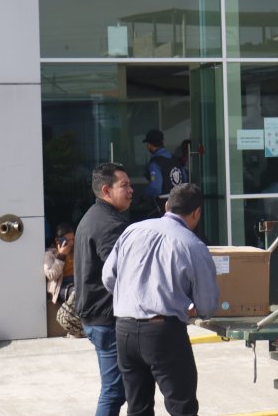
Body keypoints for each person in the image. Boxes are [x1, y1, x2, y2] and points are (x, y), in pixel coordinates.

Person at [103, 183, 219, 416]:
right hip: (162, 332)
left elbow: (108, 277)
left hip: (124, 329)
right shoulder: (193, 245)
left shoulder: (132, 230)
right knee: (181, 406)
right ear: (197, 213)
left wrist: (130, 296)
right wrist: (196, 310)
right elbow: (207, 304)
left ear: (167, 205)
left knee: (138, 407)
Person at [75, 162, 133, 416]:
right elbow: (119, 273)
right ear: (106, 190)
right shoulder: (109, 224)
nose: (131, 190)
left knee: (117, 389)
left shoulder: (94, 216)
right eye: (125, 186)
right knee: (113, 391)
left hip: (96, 315)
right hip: (105, 318)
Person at [43, 223, 83, 337]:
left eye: (73, 239)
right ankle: (74, 328)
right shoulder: (50, 254)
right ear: (57, 240)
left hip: (77, 282)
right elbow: (51, 275)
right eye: (67, 240)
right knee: (77, 292)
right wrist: (61, 256)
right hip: (61, 286)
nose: (70, 243)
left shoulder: (77, 251)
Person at [143, 129, 187, 216]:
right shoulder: (175, 159)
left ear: (149, 145)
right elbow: (185, 178)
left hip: (164, 206)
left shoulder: (155, 163)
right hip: (180, 203)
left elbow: (156, 188)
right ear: (162, 142)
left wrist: (144, 195)